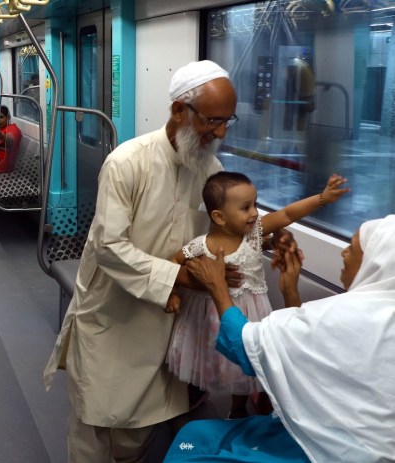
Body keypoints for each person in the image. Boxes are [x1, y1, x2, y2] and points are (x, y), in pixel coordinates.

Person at [43, 60, 241, 461]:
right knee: (94, 425)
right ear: (178, 111)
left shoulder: (211, 170)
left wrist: (254, 240)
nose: (220, 133)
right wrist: (182, 278)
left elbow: (214, 235)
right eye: (212, 121)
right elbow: (109, 246)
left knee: (139, 429)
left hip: (164, 321)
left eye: (227, 122)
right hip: (111, 314)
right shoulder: (126, 162)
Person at [165, 214, 395, 462]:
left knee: (190, 445)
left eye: (352, 247)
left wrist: (218, 287)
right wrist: (289, 291)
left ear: (375, 262)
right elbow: (306, 350)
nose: (343, 253)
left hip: (322, 448)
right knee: (195, 434)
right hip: (357, 442)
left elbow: (243, 346)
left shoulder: (343, 315)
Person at [166, 171, 350, 420]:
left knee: (243, 367)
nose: (254, 213)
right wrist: (172, 293)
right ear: (219, 217)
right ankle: (197, 394)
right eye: (245, 208)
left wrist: (322, 198)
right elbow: (172, 264)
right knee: (211, 358)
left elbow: (286, 215)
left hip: (250, 311)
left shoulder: (254, 235)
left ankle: (238, 407)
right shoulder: (200, 246)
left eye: (255, 204)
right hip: (208, 316)